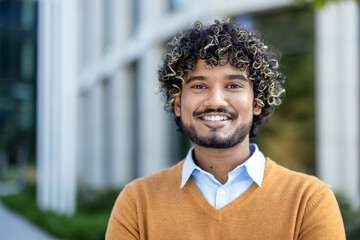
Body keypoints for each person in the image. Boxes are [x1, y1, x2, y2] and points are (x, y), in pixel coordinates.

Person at [106, 20, 345, 240]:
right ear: (178, 104)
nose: (216, 101)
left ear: (257, 103)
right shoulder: (137, 201)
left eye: (233, 85)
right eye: (199, 85)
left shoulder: (309, 201)